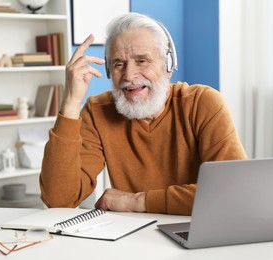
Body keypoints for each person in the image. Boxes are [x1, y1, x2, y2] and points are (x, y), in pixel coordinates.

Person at [39, 12, 247, 216]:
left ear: (168, 66)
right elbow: (59, 200)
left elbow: (233, 192)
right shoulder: (97, 111)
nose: (129, 75)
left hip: (198, 231)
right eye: (119, 64)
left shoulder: (203, 103)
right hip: (134, 239)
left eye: (142, 61)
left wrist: (136, 201)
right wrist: (71, 103)